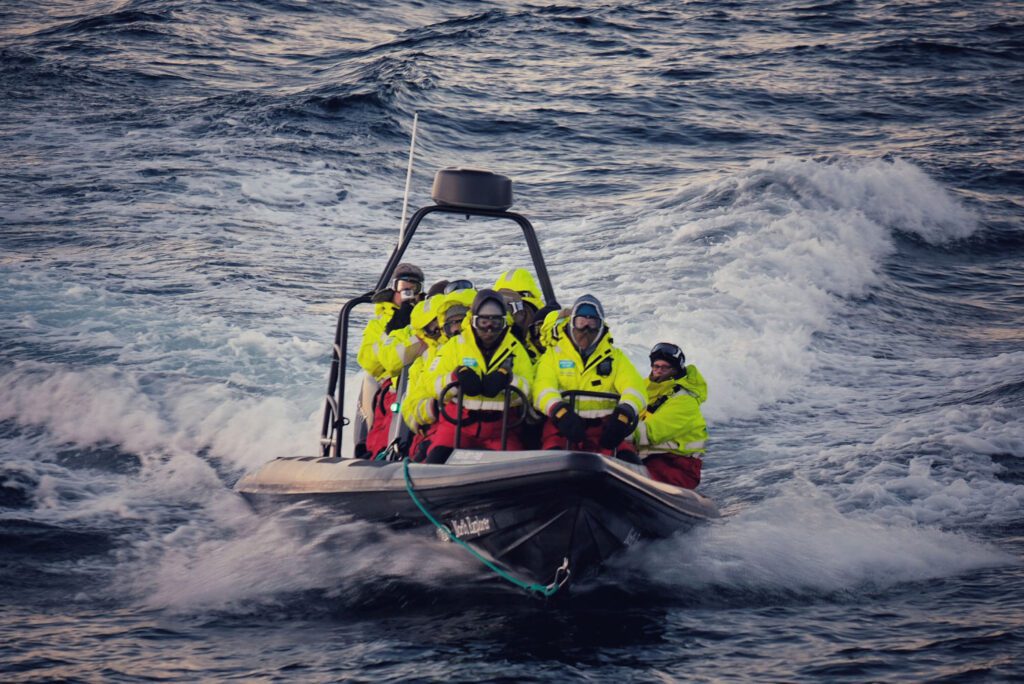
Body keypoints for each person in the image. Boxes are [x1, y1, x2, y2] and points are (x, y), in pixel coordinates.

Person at [422, 289, 534, 463]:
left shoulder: (515, 349)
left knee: (515, 470)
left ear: (504, 323)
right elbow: (430, 384)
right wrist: (454, 378)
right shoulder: (455, 346)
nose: (489, 328)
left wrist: (509, 381)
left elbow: (529, 389)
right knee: (433, 463)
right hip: (457, 427)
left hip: (500, 430)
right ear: (474, 321)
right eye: (483, 322)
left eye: (496, 322)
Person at [533, 295, 646, 457]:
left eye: (592, 323)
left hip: (605, 434)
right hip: (562, 431)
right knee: (550, 460)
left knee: (630, 462)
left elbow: (635, 388)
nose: (586, 328)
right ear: (572, 323)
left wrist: (625, 412)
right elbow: (542, 387)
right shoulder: (553, 355)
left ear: (601, 326)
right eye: (581, 322)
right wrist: (559, 410)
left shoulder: (616, 358)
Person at [356, 263, 424, 458]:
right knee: (390, 415)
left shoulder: (426, 318)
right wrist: (393, 332)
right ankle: (379, 456)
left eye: (414, 288)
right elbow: (370, 362)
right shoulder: (378, 324)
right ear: (393, 289)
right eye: (403, 287)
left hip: (421, 380)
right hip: (392, 385)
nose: (408, 293)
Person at [633, 342, 708, 489]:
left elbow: (649, 435)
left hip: (676, 465)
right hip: (645, 457)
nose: (659, 371)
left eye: (665, 367)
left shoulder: (685, 401)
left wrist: (614, 429)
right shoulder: (643, 388)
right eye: (656, 366)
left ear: (675, 370)